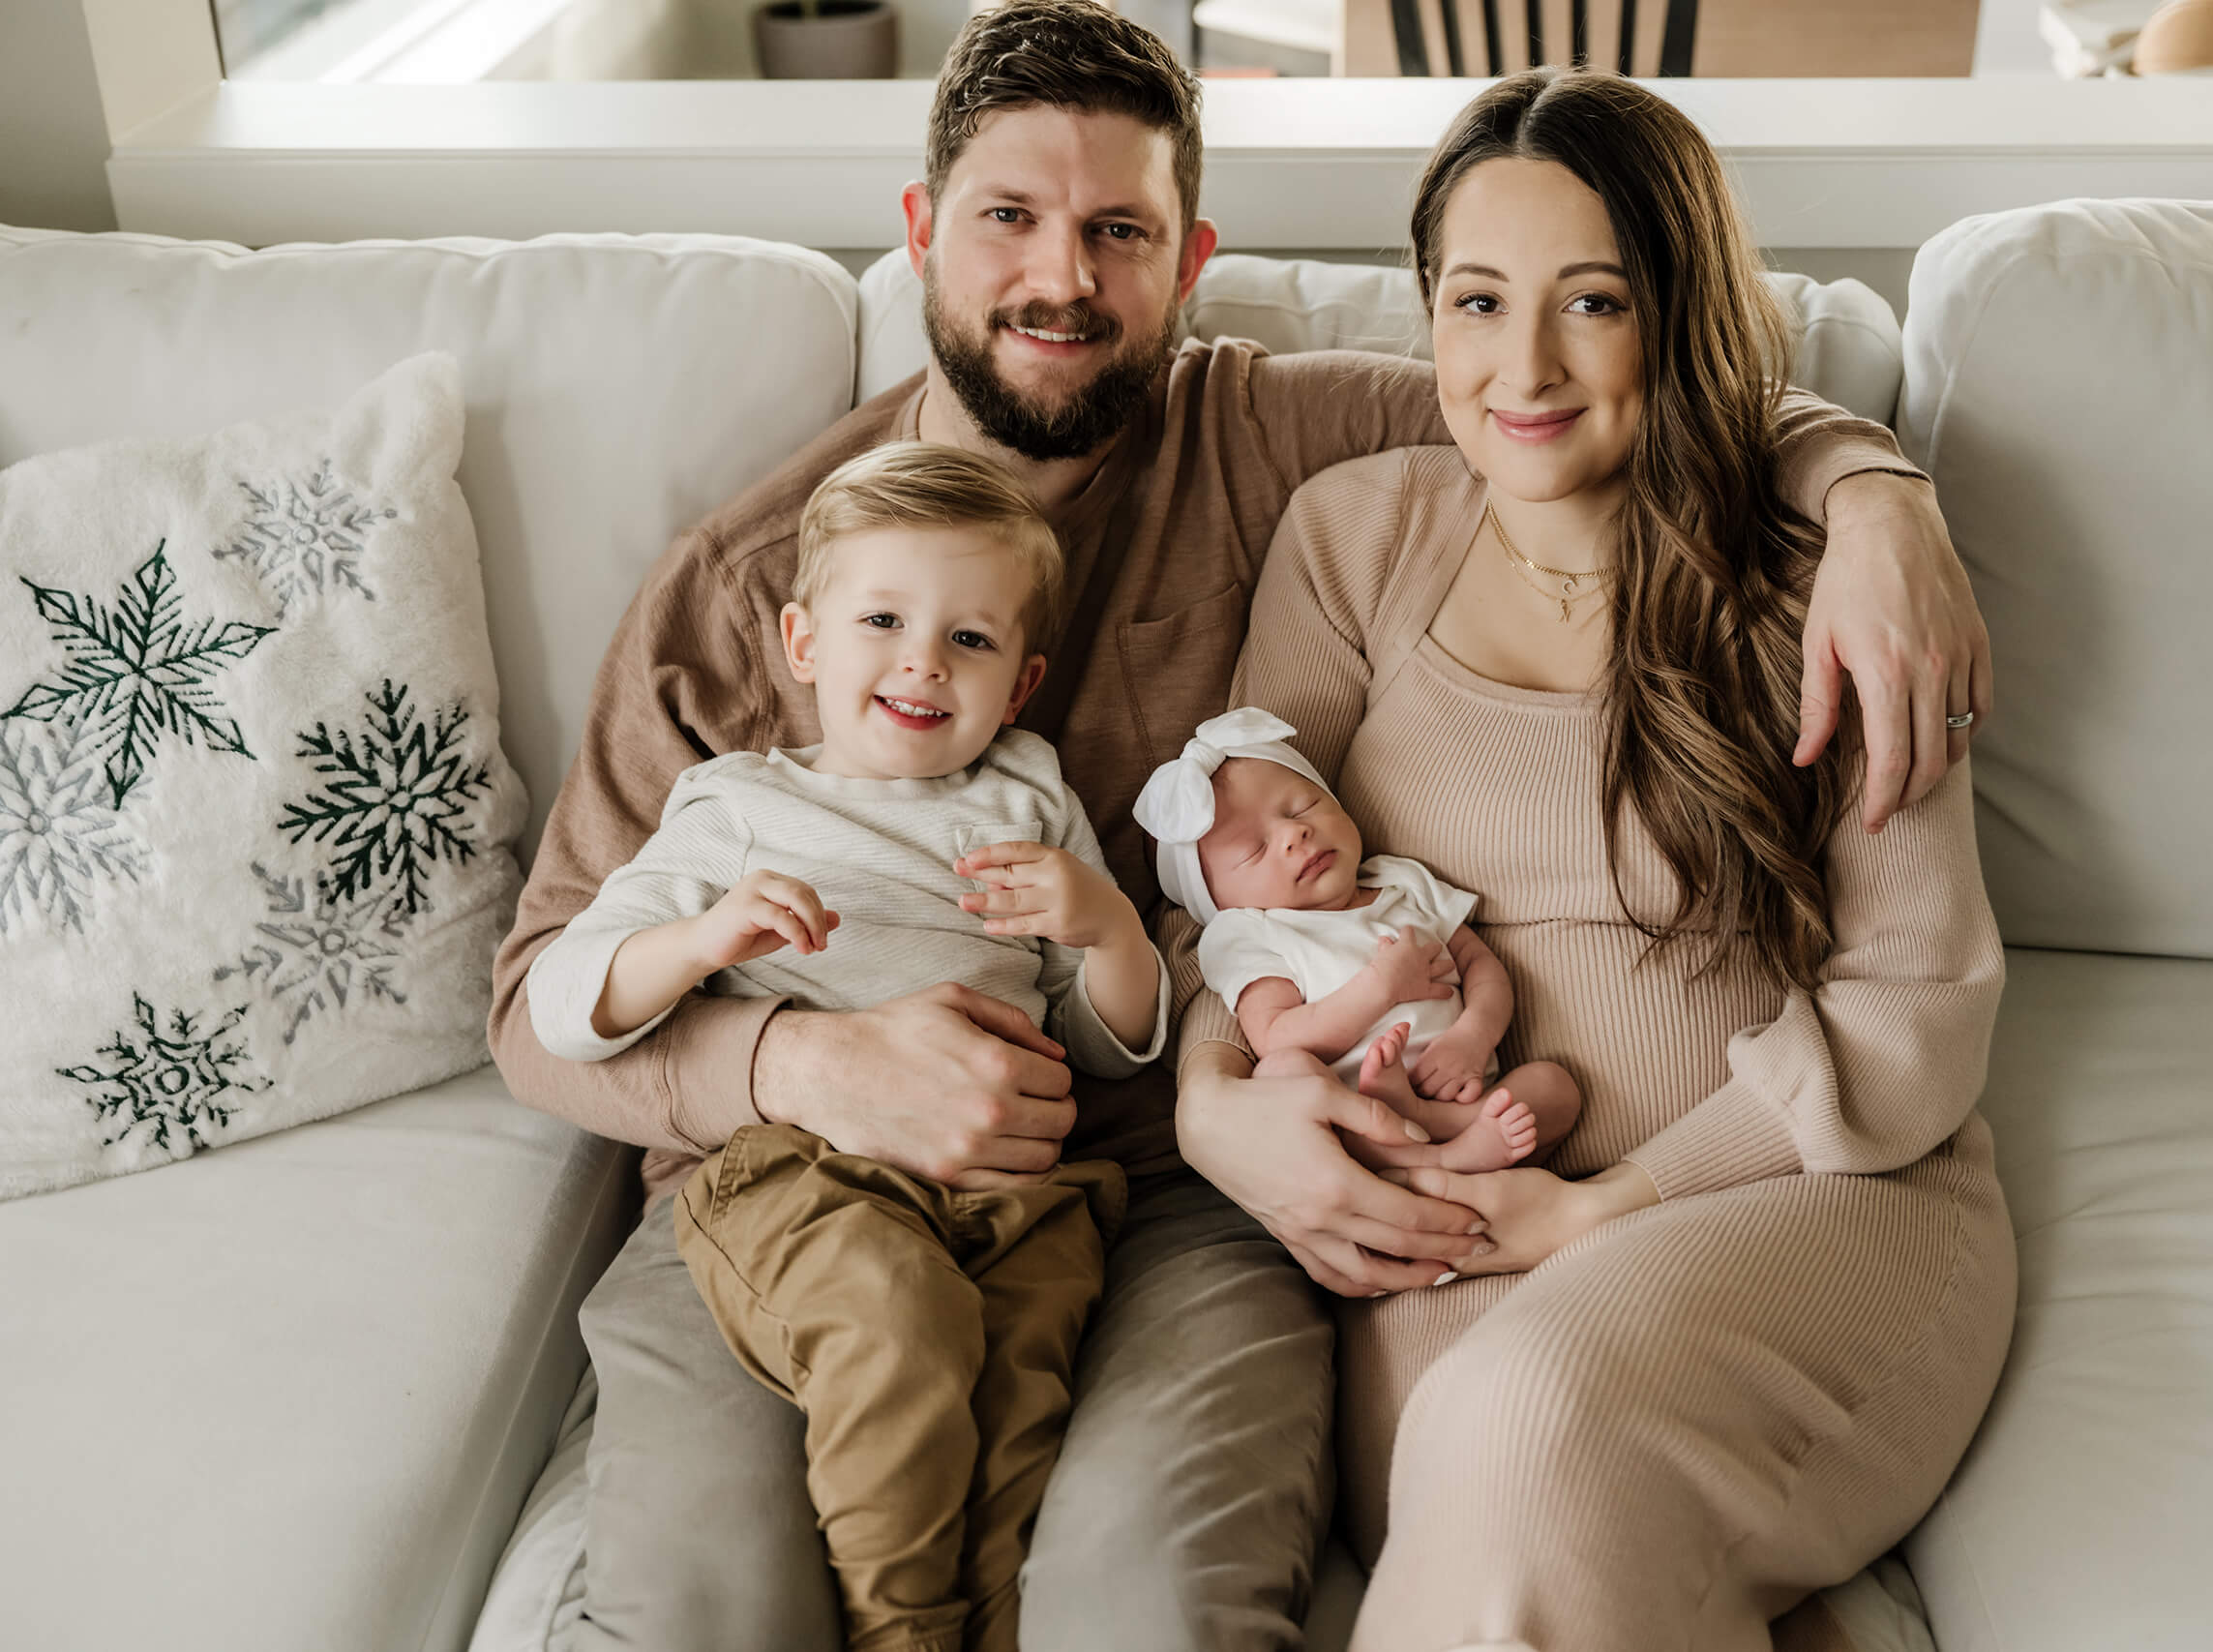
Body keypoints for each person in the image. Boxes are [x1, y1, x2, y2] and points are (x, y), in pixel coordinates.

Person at [485, 4, 1996, 1646]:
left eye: (1117, 231)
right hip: (773, 1176)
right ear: (920, 232)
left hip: (1156, 1204)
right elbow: (534, 1003)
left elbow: (1593, 400)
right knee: (705, 1611)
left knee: (1160, 1605)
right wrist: (793, 1065)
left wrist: (1874, 492)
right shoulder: (739, 587)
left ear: (1187, 260)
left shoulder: (1279, 441)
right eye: (1008, 218)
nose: (1061, 278)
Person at [1176, 69, 2017, 1650]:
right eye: (1478, 301)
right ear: (1425, 312)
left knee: (1534, 1419)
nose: (1526, 367)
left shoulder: (1818, 581)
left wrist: (1606, 1205)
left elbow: (1917, 1010)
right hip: (1461, 1214)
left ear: (1676, 313)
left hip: (1814, 1195)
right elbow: (1225, 895)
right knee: (1497, 1479)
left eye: (1594, 302)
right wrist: (1222, 1105)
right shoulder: (1352, 536)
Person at [523, 443, 1166, 1652]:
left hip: (1018, 1198)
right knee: (895, 1330)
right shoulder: (736, 806)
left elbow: (1108, 1047)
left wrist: (1111, 930)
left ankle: (974, 1620)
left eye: (970, 641)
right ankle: (899, 1631)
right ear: (804, 643)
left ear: (1020, 683)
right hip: (798, 1174)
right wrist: (702, 935)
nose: (924, 659)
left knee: (1013, 1425)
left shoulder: (1030, 796)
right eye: (882, 620)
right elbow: (565, 1001)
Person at [1132, 707, 1580, 1176]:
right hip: (1361, 1125)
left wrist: (1474, 1035)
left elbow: (1481, 966)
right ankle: (1437, 1157)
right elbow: (1276, 1036)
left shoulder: (1401, 883)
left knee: (1555, 1087)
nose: (1293, 833)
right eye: (1254, 850)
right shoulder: (1251, 934)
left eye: (1302, 806)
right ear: (1216, 902)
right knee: (1280, 1073)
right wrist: (1380, 988)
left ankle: (1454, 1143)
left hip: (1467, 1090)